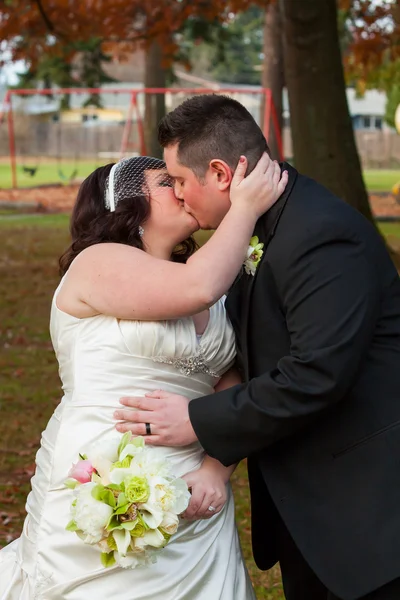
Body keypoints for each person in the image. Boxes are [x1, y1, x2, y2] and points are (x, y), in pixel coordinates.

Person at [114, 95, 400, 600]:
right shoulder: (256, 227)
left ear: (221, 173)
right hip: (311, 509)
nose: (178, 196)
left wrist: (197, 419)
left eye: (180, 180)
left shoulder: (320, 234)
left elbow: (316, 374)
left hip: (367, 514)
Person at [0, 154, 287, 599]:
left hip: (194, 487)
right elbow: (199, 287)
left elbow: (231, 376)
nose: (182, 188)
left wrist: (216, 467)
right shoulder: (97, 262)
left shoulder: (202, 278)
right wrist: (244, 209)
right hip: (103, 470)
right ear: (128, 203)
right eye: (166, 181)